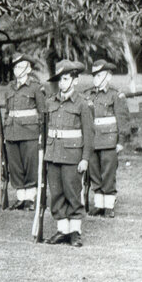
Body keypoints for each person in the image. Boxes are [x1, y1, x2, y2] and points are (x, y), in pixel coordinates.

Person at [43, 60, 94, 246]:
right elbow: (45, 130)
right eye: (59, 79)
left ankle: (75, 232)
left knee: (72, 193)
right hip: (53, 155)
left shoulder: (82, 104)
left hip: (73, 157)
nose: (61, 83)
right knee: (56, 194)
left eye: (65, 79)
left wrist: (85, 158)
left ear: (75, 80)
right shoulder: (50, 102)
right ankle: (62, 230)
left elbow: (89, 134)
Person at [0, 53, 47, 211]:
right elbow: (7, 112)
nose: (17, 70)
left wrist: (41, 134)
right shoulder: (10, 88)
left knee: (30, 165)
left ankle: (31, 197)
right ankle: (20, 197)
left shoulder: (36, 87)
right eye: (15, 67)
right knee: (15, 166)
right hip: (12, 132)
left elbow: (42, 113)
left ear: (28, 69)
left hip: (30, 132)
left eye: (21, 66)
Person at [85, 59, 130, 218]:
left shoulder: (115, 95)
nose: (96, 79)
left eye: (99, 75)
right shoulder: (88, 95)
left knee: (108, 173)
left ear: (108, 77)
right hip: (92, 141)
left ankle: (109, 205)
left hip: (110, 141)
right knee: (94, 173)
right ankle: (99, 204)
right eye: (94, 75)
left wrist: (121, 141)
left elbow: (122, 119)